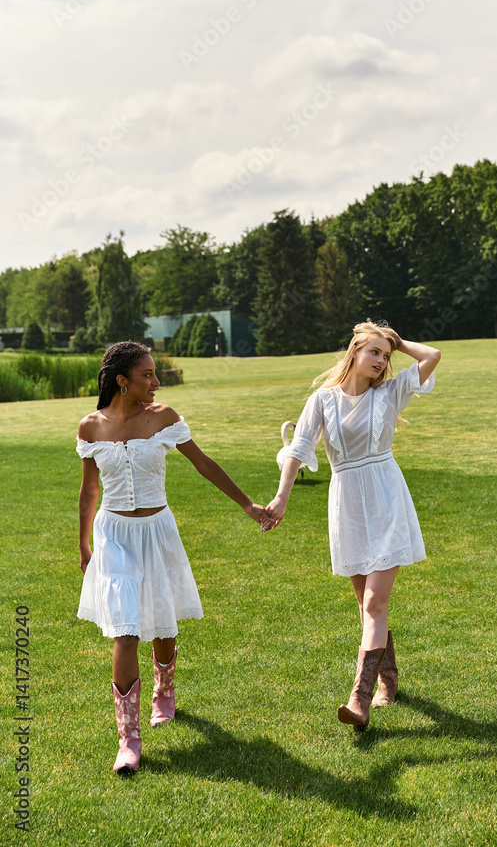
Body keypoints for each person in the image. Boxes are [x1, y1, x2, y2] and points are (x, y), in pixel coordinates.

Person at [77, 341, 272, 775]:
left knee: (162, 620)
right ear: (122, 380)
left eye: (154, 374)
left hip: (157, 531)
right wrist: (83, 544)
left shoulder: (165, 418)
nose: (155, 381)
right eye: (147, 374)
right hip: (114, 536)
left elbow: (203, 464)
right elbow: (90, 490)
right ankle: (128, 740)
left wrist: (248, 505)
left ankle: (164, 689)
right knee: (126, 630)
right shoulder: (90, 428)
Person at [266, 321, 441, 730]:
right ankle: (388, 680)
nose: (381, 361)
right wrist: (282, 496)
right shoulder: (322, 401)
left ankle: (358, 700)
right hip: (347, 502)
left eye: (386, 355)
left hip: (387, 498)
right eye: (374, 352)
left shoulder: (391, 393)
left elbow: (432, 356)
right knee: (366, 605)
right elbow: (299, 449)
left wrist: (397, 341)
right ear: (355, 352)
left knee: (375, 603)